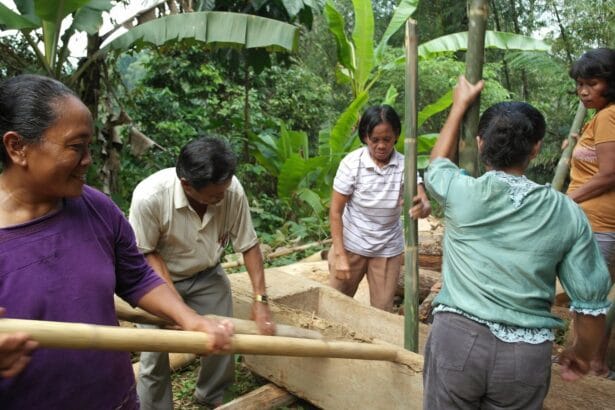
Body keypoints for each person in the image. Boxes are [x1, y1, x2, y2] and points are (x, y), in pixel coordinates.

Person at [0, 74, 233, 409]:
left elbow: (136, 276)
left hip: (116, 399)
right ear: (17, 147)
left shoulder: (96, 209)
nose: (88, 160)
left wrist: (189, 318)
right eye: (76, 148)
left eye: (89, 147)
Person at [422, 76, 611, 409]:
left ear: (481, 144)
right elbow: (591, 306)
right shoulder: (565, 211)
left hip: (457, 342)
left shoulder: (461, 193)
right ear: (536, 148)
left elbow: (437, 164)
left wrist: (459, 106)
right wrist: (580, 355)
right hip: (525, 358)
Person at [128, 136, 275, 409]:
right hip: (156, 281)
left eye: (225, 188)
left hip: (208, 275)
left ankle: (212, 394)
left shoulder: (231, 190)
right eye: (215, 194)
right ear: (187, 185)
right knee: (154, 352)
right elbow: (147, 253)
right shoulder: (150, 197)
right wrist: (178, 309)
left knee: (223, 334)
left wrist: (260, 300)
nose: (223, 196)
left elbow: (249, 244)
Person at [328, 104, 431, 312]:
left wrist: (424, 206)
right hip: (351, 244)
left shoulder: (405, 165)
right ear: (365, 137)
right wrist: (339, 255)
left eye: (387, 139)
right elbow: (335, 212)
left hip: (386, 249)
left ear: (396, 136)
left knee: (382, 311)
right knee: (334, 304)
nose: (381, 146)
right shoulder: (352, 164)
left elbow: (423, 199)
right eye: (375, 140)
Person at [566, 48, 615, 378]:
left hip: (598, 224)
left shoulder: (609, 116)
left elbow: (610, 173)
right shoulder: (600, 117)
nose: (584, 91)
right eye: (580, 84)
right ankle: (591, 364)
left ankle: (591, 367)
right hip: (595, 223)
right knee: (590, 299)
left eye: (592, 83)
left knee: (589, 301)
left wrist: (565, 201)